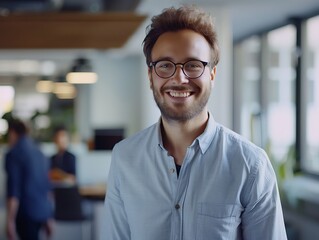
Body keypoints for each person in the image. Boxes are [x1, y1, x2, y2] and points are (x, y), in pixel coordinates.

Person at [104, 6, 287, 240]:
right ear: (151, 76)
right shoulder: (125, 157)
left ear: (212, 74)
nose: (179, 78)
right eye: (165, 65)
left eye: (192, 65)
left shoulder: (250, 165)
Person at [4, 119, 53, 240]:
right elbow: (46, 186)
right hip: (41, 211)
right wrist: (49, 216)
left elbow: (14, 190)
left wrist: (10, 220)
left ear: (12, 133)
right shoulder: (40, 152)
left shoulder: (13, 154)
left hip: (25, 213)